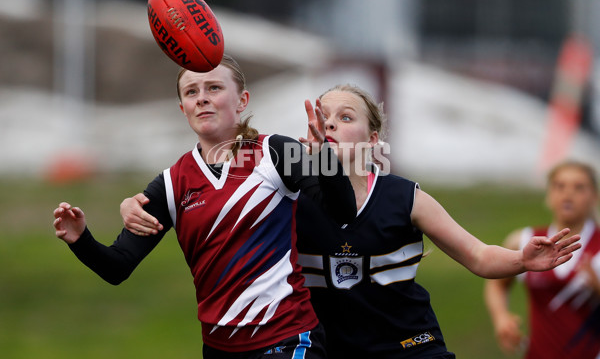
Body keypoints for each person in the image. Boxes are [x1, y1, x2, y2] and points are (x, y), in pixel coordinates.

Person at [121, 84, 582, 359]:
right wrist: (136, 205)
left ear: (373, 137)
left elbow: (479, 256)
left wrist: (522, 260)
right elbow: (211, 197)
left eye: (346, 117)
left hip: (410, 347)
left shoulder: (405, 196)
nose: (333, 125)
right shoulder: (285, 198)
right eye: (324, 118)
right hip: (327, 352)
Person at [53, 54, 357, 359]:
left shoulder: (275, 151)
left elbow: (343, 212)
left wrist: (324, 158)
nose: (202, 99)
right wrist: (80, 239)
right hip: (219, 349)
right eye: (191, 92)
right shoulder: (172, 184)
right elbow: (117, 266)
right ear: (182, 108)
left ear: (241, 100)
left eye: (213, 88)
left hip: (287, 339)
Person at [484, 160, 600, 359]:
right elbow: (496, 283)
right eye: (560, 186)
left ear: (594, 196)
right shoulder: (524, 241)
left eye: (579, 187)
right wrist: (501, 318)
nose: (568, 194)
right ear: (549, 194)